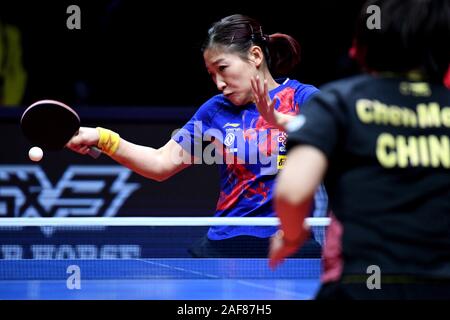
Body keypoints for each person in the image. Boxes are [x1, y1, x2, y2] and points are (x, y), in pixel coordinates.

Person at [67, 14, 327, 258]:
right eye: (212, 74)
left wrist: (278, 120)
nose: (219, 83)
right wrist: (105, 138)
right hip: (226, 245)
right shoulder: (215, 110)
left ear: (255, 56)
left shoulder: (301, 98)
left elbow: (331, 134)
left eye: (223, 68)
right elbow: (161, 163)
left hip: (292, 245)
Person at [268, 0, 450, 299]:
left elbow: (291, 192)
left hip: (360, 284)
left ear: (361, 47)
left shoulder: (337, 102)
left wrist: (293, 237)